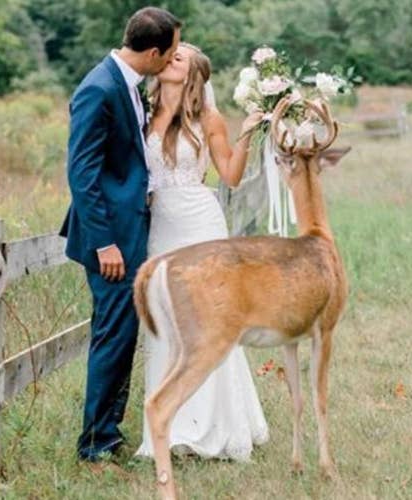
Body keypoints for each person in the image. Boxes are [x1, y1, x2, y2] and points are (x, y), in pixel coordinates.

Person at [135, 42, 269, 461]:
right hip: (161, 228)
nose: (168, 59)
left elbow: (229, 175)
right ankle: (171, 426)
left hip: (201, 224)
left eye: (178, 57)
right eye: (167, 55)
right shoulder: (143, 114)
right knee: (167, 318)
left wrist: (246, 132)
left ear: (192, 73)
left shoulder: (208, 118)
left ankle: (219, 425)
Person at [58, 7, 181, 467]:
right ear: (152, 52)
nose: (170, 61)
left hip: (130, 232)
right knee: (112, 335)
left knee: (124, 334)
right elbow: (82, 173)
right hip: (110, 241)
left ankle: (109, 431)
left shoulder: (125, 84)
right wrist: (104, 242)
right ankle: (95, 444)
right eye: (169, 54)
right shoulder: (98, 88)